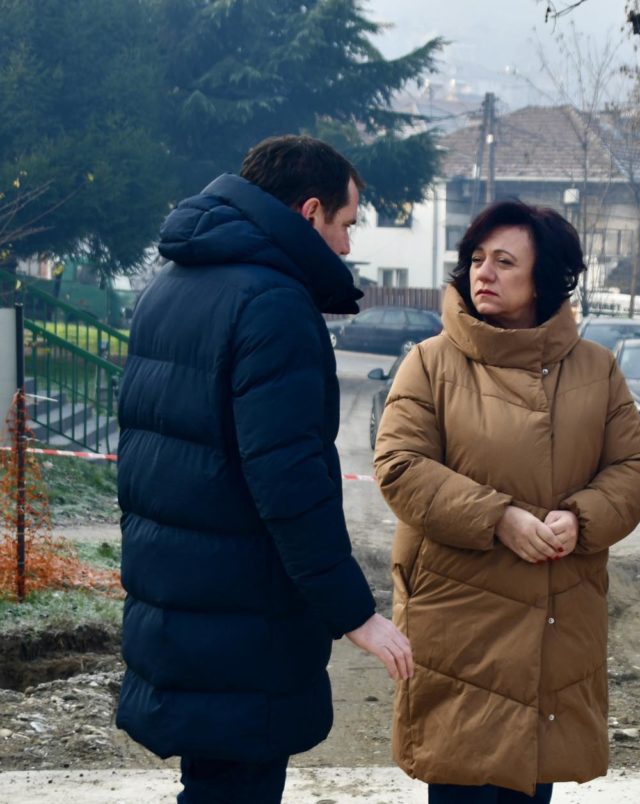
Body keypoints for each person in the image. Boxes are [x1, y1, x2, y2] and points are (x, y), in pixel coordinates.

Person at [116, 134, 413, 804]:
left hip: (181, 603)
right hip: (244, 619)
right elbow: (290, 484)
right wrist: (355, 614)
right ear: (309, 212)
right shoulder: (273, 303)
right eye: (346, 224)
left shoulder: (171, 287)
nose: (347, 247)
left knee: (211, 784)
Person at [372, 199, 640, 803]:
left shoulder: (597, 369)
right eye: (477, 258)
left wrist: (580, 519)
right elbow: (399, 465)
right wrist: (497, 517)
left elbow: (635, 469)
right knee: (461, 783)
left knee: (532, 785)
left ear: (544, 278)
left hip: (557, 615)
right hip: (459, 622)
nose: (484, 272)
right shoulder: (429, 363)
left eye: (504, 262)